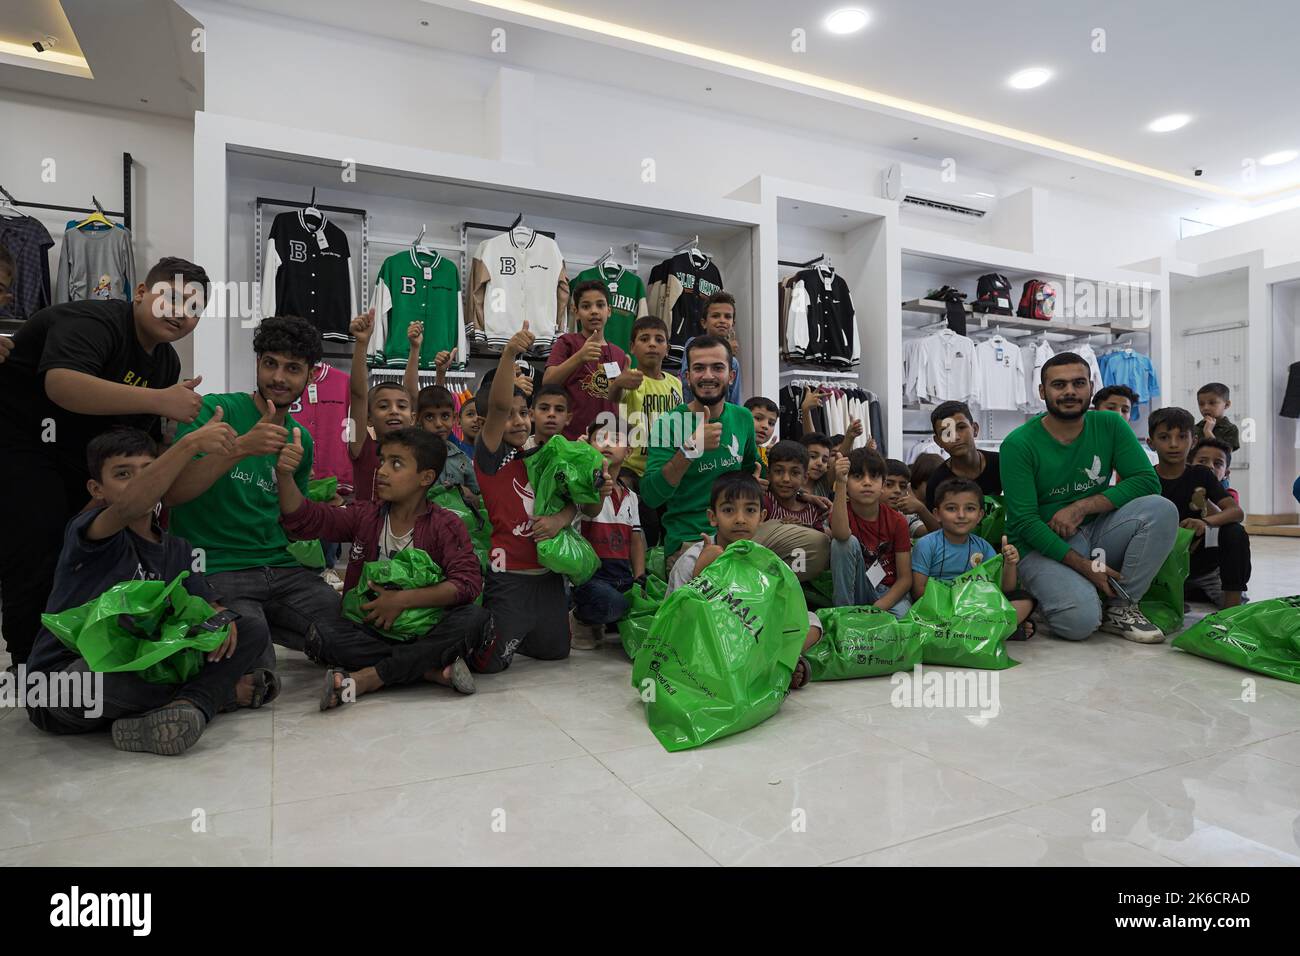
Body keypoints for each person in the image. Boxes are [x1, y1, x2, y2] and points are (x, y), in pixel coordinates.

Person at [0, 256, 208, 666]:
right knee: (37, 542)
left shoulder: (166, 361)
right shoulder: (94, 320)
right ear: (142, 293)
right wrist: (161, 399)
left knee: (91, 541)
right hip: (19, 437)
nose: (181, 313)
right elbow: (62, 385)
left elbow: (136, 441)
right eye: (172, 298)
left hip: (79, 455)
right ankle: (29, 662)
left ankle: (76, 643)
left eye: (194, 308)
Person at [26, 426, 274, 755]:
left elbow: (208, 607)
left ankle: (188, 705)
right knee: (111, 675)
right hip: (66, 682)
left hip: (145, 666)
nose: (141, 483)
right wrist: (191, 444)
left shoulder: (178, 549)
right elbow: (130, 506)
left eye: (150, 471)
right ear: (96, 489)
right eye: (123, 474)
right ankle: (217, 695)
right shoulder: (90, 532)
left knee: (250, 628)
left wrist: (220, 619)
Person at [163, 315, 367, 669]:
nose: (279, 377)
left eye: (292, 368)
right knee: (248, 656)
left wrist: (288, 477)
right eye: (270, 363)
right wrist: (240, 447)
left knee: (350, 631)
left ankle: (296, 631)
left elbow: (294, 522)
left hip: (282, 567)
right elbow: (173, 494)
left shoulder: (298, 438)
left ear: (308, 374)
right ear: (257, 363)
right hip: (216, 567)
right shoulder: (214, 411)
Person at [277, 425, 492, 707]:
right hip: (371, 627)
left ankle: (370, 677)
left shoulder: (445, 524)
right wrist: (284, 475)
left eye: (397, 464)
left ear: (426, 477)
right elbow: (306, 519)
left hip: (425, 627)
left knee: (475, 619)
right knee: (325, 632)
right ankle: (427, 669)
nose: (383, 471)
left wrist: (402, 600)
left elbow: (467, 583)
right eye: (383, 461)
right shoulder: (366, 515)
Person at [1001, 352, 1177, 643]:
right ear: (1042, 392)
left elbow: (1147, 481)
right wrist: (1086, 567)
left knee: (1161, 510)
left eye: (1078, 383)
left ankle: (1120, 607)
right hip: (1039, 546)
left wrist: (1082, 507)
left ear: (1091, 387)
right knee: (1078, 624)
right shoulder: (1018, 444)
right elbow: (1024, 523)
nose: (1070, 391)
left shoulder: (1110, 424)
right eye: (1059, 385)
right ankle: (1054, 594)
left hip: (1097, 531)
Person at [643, 336, 829, 580]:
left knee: (820, 546)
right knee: (715, 593)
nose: (708, 375)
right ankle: (752, 581)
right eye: (699, 368)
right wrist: (689, 450)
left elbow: (758, 470)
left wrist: (803, 496)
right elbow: (651, 495)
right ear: (687, 377)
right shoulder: (668, 423)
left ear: (731, 376)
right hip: (694, 539)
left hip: (747, 532)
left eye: (717, 368)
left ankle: (760, 582)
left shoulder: (742, 418)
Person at [473, 321, 577, 671]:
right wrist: (508, 354)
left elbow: (574, 502)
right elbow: (499, 407)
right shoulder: (490, 458)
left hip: (548, 578)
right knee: (489, 666)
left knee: (556, 653)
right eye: (508, 415)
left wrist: (560, 519)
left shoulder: (541, 456)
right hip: (510, 580)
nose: (517, 421)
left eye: (524, 413)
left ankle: (525, 631)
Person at [666, 472, 823, 688]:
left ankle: (772, 661)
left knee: (812, 621)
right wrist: (702, 574)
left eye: (750, 510)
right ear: (713, 516)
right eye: (728, 510)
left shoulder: (767, 562)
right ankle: (773, 667)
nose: (740, 519)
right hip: (710, 640)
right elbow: (675, 622)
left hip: (751, 635)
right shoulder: (692, 559)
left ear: (762, 517)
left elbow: (784, 613)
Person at [1148, 407, 1251, 608]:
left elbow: (1236, 512)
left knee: (1234, 532)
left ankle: (1232, 610)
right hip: (1163, 568)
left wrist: (1204, 522)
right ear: (1151, 443)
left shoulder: (1202, 475)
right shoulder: (1146, 479)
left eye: (1182, 437)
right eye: (1164, 437)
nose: (1174, 444)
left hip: (1205, 571)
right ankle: (1173, 593)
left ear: (1193, 441)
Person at [911, 478, 1036, 640]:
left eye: (970, 509)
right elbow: (919, 590)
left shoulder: (983, 547)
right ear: (937, 514)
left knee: (1024, 601)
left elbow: (1003, 589)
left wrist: (1010, 564)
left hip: (974, 608)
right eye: (951, 508)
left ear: (980, 515)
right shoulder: (927, 544)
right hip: (937, 607)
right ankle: (992, 632)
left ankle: (977, 631)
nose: (961, 515)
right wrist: (953, 604)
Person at [569, 418, 645, 650]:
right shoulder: (581, 485)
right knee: (614, 604)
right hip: (590, 578)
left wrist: (640, 577)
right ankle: (579, 618)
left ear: (629, 451)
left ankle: (601, 620)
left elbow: (635, 539)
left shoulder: (631, 496)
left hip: (621, 576)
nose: (607, 443)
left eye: (616, 439)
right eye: (600, 438)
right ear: (589, 445)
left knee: (648, 604)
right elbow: (589, 511)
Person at [543, 279, 637, 440]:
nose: (594, 311)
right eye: (586, 306)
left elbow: (618, 401)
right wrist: (579, 357)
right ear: (576, 312)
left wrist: (623, 384)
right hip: (572, 440)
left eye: (600, 305)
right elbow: (548, 383)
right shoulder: (567, 342)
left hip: (608, 441)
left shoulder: (619, 354)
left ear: (609, 310)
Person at [620, 315, 681, 549]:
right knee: (646, 527)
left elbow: (680, 424)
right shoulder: (631, 379)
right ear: (633, 347)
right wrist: (617, 384)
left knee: (667, 528)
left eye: (659, 339)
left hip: (666, 469)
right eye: (644, 339)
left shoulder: (675, 384)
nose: (652, 344)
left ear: (667, 348)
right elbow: (613, 398)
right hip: (633, 468)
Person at [829, 448, 913, 618]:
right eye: (858, 476)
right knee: (843, 543)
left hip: (887, 593)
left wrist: (877, 608)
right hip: (856, 589)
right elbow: (841, 535)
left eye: (874, 477)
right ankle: (843, 616)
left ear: (883, 485)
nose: (867, 482)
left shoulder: (898, 521)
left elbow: (905, 579)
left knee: (903, 619)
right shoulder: (842, 512)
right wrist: (840, 483)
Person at [348, 309, 419, 503]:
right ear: (369, 418)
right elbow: (358, 396)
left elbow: (412, 395)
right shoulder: (360, 446)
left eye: (401, 406)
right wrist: (362, 343)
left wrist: (414, 350)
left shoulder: (417, 450)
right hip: (367, 531)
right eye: (383, 406)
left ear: (413, 417)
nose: (394, 410)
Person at [925, 400, 1003, 515]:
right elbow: (938, 529)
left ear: (975, 429)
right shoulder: (937, 482)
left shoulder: (1002, 463)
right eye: (946, 433)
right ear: (938, 441)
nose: (955, 437)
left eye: (961, 427)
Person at [415, 383, 479, 497]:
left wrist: (469, 495)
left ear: (454, 418)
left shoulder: (461, 458)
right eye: (429, 417)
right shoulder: (412, 456)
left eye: (445, 416)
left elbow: (478, 497)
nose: (438, 424)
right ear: (418, 420)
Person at [680, 292, 742, 404]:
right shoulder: (692, 346)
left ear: (733, 324)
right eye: (715, 316)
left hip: (722, 418)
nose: (722, 320)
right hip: (693, 414)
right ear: (704, 323)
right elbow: (687, 385)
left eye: (727, 316)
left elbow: (735, 399)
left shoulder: (733, 363)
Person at [763, 439, 830, 528]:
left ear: (805, 478)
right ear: (768, 475)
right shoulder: (764, 503)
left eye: (794, 473)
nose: (786, 479)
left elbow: (820, 539)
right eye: (778, 471)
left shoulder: (812, 510)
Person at [1095, 385, 1158, 465]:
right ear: (1096, 412)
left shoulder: (1149, 460)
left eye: (1125, 410)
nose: (1118, 414)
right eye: (1111, 408)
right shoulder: (1082, 451)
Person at [884, 458, 933, 539]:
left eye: (902, 486)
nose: (897, 490)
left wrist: (921, 509)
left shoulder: (904, 516)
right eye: (889, 484)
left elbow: (936, 534)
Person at [1190, 437, 1240, 504]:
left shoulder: (1230, 496)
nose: (1210, 466)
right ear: (1189, 466)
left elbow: (1233, 513)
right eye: (1202, 461)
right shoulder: (1180, 487)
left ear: (1226, 473)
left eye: (1217, 463)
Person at [1196, 382, 1240, 452]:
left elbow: (1223, 454)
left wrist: (1208, 432)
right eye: (1201, 404)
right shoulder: (1195, 428)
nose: (1205, 408)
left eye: (1212, 403)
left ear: (1227, 405)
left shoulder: (1231, 429)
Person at [745, 395, 780, 479]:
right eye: (758, 418)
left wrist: (774, 461)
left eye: (771, 423)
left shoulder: (768, 454)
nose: (765, 426)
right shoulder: (733, 449)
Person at [527, 384, 572, 449]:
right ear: (531, 415)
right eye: (544, 409)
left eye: (559, 410)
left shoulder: (573, 454)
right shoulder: (518, 451)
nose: (551, 414)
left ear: (568, 418)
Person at [799, 432, 834, 498]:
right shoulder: (791, 484)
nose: (820, 463)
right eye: (813, 456)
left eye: (824, 460)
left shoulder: (823, 485)